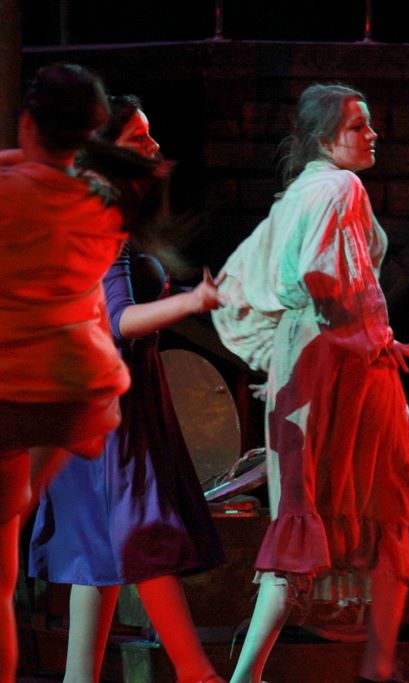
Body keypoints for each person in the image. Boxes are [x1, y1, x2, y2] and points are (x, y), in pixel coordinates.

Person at [212, 83, 409, 683]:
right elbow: (323, 277)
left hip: (324, 357)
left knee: (338, 508)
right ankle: (345, 667)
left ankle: (364, 664)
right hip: (342, 365)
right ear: (325, 138)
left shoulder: (302, 190)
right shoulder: (338, 186)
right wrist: (368, 337)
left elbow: (243, 285)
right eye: (358, 126)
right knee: (384, 501)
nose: (373, 135)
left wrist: (282, 355)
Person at [28, 95, 227, 683]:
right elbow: (117, 320)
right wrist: (192, 301)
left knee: (104, 553)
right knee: (143, 537)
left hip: (100, 404)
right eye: (139, 137)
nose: (154, 147)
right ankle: (197, 673)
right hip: (113, 410)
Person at [0, 63, 164, 683]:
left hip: (21, 390)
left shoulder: (18, 191)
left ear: (29, 123)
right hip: (78, 402)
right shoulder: (102, 203)